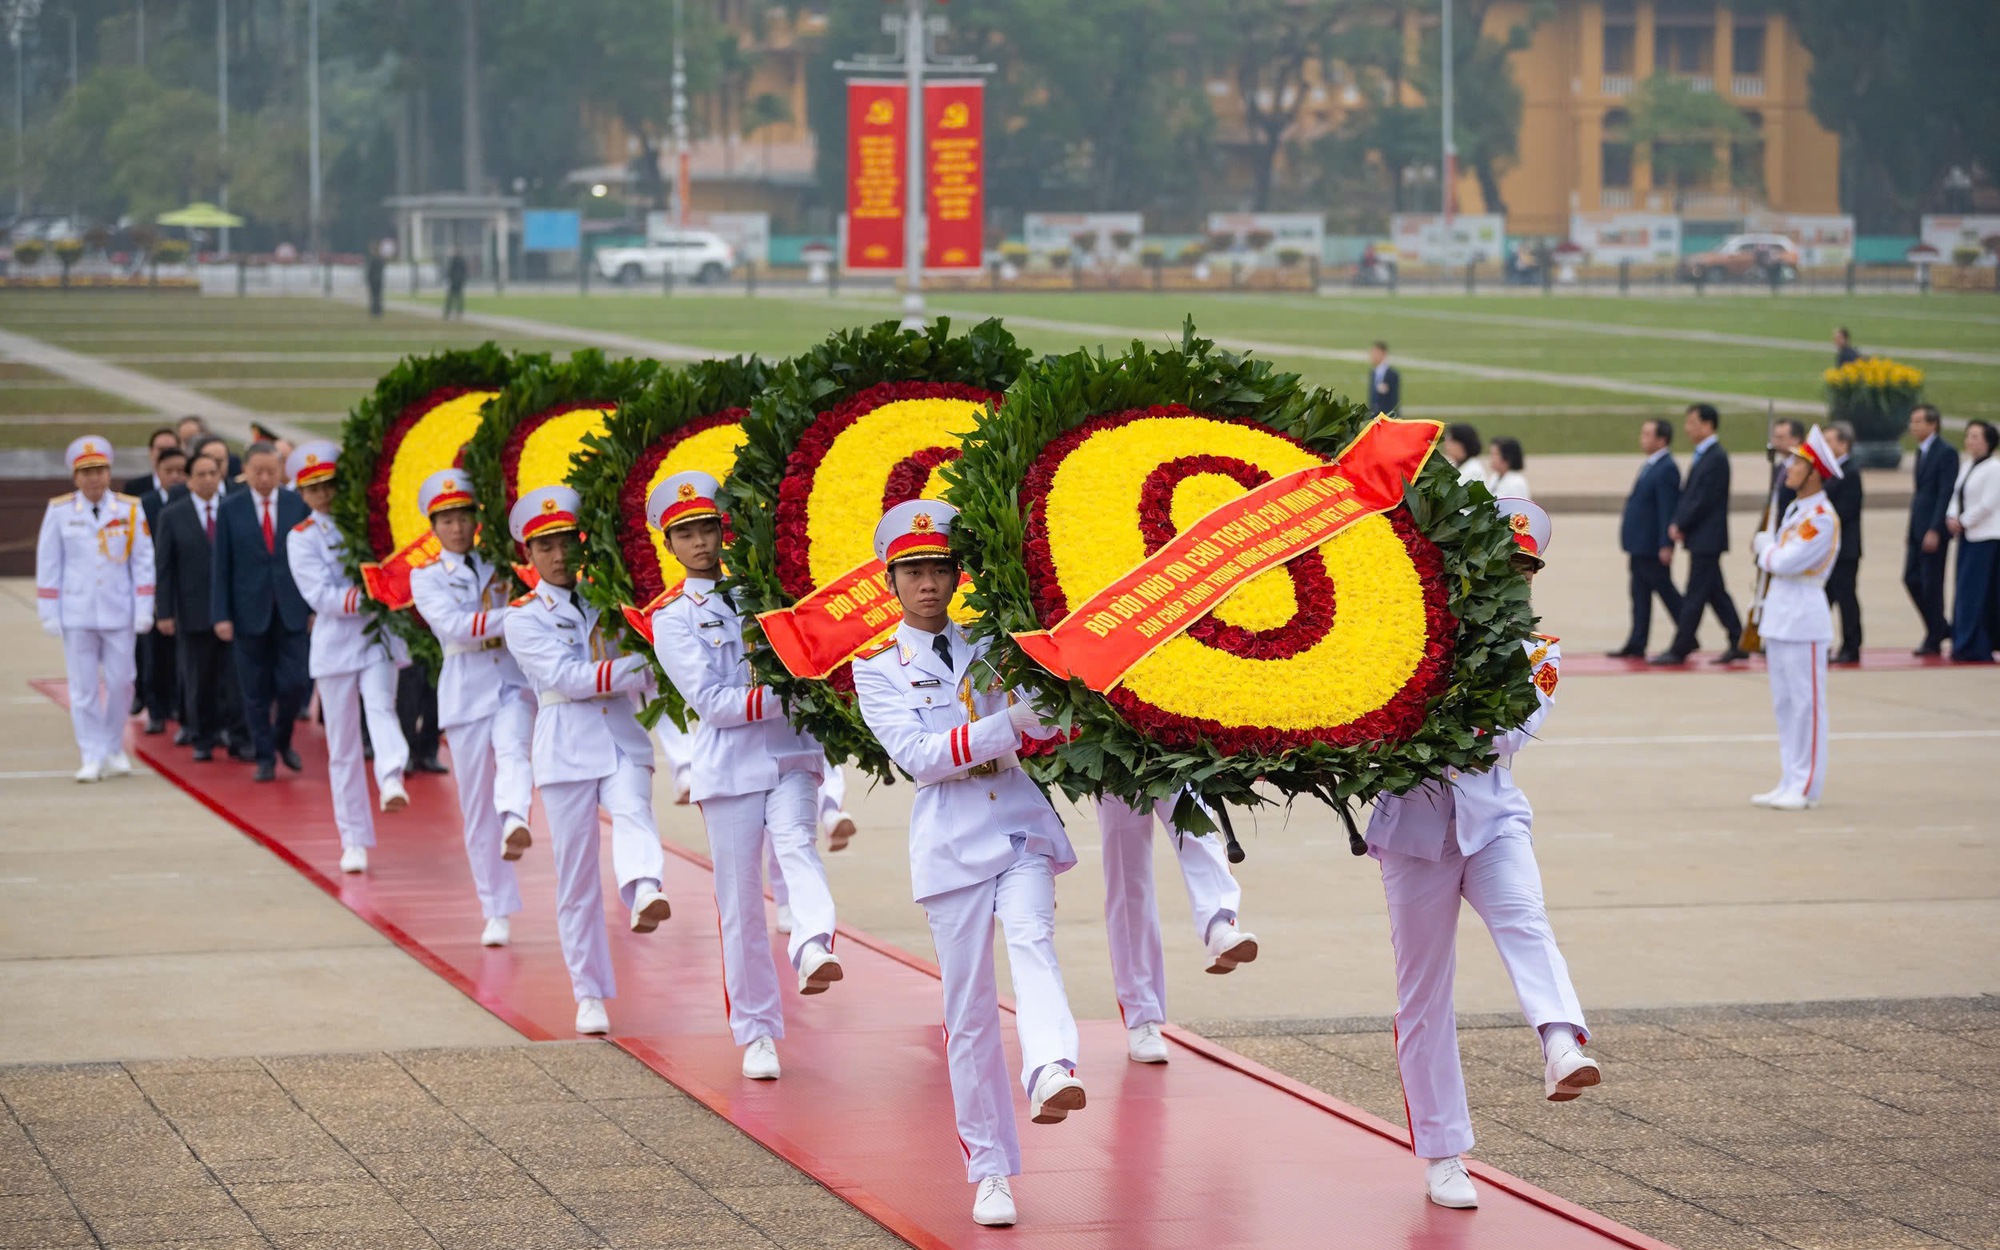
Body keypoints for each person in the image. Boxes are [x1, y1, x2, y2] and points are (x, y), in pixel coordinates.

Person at [852, 500, 1083, 1229]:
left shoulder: (994, 641)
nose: (928, 583)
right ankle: (989, 1171)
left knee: (1033, 941)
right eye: (914, 571)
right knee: (970, 1014)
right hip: (951, 845)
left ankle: (1052, 1067)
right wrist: (1002, 725)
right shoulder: (877, 668)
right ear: (891, 580)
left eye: (940, 568)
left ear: (958, 575)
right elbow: (921, 759)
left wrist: (1043, 693)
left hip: (1017, 827)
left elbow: (1047, 719)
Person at [1367, 497, 1598, 1212]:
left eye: (1524, 571)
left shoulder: (1540, 652)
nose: (1513, 581)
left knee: (1527, 924)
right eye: (1502, 565)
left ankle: (1562, 1044)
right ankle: (1443, 1154)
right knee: (1424, 993)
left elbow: (1505, 739)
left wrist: (1435, 711)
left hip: (1492, 820)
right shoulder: (1414, 630)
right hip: (1414, 831)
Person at [649, 472, 844, 1080]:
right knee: (739, 904)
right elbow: (712, 702)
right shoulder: (673, 618)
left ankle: (814, 943)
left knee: (796, 845)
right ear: (670, 545)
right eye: (687, 534)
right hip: (729, 769)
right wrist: (789, 695)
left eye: (709, 528)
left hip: (789, 754)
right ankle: (757, 1031)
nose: (702, 542)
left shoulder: (763, 592)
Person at [503, 484, 672, 1037]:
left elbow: (649, 661)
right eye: (545, 547)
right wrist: (634, 665)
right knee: (575, 878)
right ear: (527, 556)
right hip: (565, 747)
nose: (558, 556)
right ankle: (588, 991)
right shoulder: (522, 617)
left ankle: (644, 886)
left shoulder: (609, 596)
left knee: (634, 813)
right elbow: (566, 679)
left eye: (565, 544)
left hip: (621, 736)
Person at [407, 470, 533, 945]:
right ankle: (495, 908)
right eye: (448, 519)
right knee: (476, 808)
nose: (458, 527)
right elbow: (457, 627)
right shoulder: (426, 577)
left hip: (510, 681)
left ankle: (517, 816)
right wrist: (521, 613)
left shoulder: (500, 562)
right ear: (434, 526)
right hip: (464, 691)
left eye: (464, 517)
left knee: (516, 750)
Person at [286, 442, 412, 872]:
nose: (324, 494)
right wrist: (372, 594)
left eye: (329, 484)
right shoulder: (301, 537)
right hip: (337, 643)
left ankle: (392, 775)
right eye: (314, 487)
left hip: (377, 636)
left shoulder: (364, 524)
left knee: (381, 704)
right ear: (302, 493)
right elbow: (320, 595)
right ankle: (353, 838)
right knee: (342, 747)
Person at [1095, 795, 1257, 1064]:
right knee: (1127, 873)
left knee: (1196, 828)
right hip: (1113, 765)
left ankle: (1219, 927)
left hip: (1172, 752)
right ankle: (1141, 1015)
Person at [37, 437, 154, 783]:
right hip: (77, 611)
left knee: (122, 683)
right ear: (75, 476)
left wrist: (144, 605)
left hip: (119, 609)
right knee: (84, 687)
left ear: (109, 472)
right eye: (86, 472)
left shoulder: (129, 509)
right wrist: (49, 610)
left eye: (99, 470)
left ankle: (113, 745)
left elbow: (143, 561)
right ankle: (91, 753)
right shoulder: (59, 512)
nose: (94, 478)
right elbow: (49, 564)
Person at [1750, 427, 1844, 810]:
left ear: (1815, 473)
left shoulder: (1821, 517)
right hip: (1781, 615)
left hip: (1804, 616)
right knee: (1785, 705)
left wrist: (1765, 548)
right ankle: (1790, 777)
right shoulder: (1796, 510)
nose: (1788, 469)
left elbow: (1784, 562)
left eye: (1798, 463)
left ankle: (1805, 785)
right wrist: (1770, 550)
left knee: (1807, 706)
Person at [211, 441, 312, 781]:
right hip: (247, 612)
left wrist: (313, 607)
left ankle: (283, 740)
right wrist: (221, 615)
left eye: (272, 471)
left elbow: (311, 561)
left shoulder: (298, 504)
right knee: (254, 691)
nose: (265, 478)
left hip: (292, 610)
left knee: (294, 685)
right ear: (246, 472)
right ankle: (265, 755)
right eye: (258, 472)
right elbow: (221, 566)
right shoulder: (230, 508)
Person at [154, 452, 238, 762]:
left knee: (233, 680)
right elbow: (163, 568)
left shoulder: (233, 511)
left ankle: (235, 735)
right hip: (193, 611)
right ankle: (203, 737)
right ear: (189, 479)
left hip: (231, 612)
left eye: (212, 473)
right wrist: (164, 612)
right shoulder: (172, 515)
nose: (207, 479)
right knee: (198, 680)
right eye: (200, 474)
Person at [1654, 404, 1747, 665]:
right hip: (1702, 537)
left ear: (1708, 425)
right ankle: (1739, 639)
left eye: (1693, 422)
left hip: (1708, 537)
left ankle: (1680, 648)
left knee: (1695, 593)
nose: (1687, 428)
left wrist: (1680, 523)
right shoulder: (1704, 455)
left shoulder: (1716, 457)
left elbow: (1703, 499)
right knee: (1716, 592)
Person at [1610, 419, 1683, 659]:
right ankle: (1637, 642)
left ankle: (1687, 634)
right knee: (1639, 595)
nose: (1642, 438)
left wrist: (1666, 544)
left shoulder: (1667, 468)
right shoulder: (1652, 465)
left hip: (1652, 546)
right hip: (1640, 545)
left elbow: (1667, 509)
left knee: (1667, 592)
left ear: (1661, 440)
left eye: (1647, 434)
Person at [135, 446, 189, 736]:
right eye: (169, 472)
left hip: (187, 591)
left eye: (182, 471)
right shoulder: (145, 504)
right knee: (154, 655)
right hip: (154, 590)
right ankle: (156, 711)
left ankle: (181, 708)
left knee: (183, 658)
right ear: (158, 473)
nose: (176, 477)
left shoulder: (193, 503)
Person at [1905, 404, 1959, 656]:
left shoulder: (1946, 453)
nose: (1912, 426)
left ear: (1933, 424)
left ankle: (1934, 636)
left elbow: (1945, 493)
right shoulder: (1922, 451)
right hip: (1917, 527)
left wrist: (1936, 528)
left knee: (1931, 584)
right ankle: (1939, 627)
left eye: (1918, 421)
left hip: (1932, 530)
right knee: (1911, 578)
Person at [1946, 421, 2000, 663]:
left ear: (1988, 441)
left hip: (1986, 537)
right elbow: (1957, 495)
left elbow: (1988, 504)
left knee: (1978, 592)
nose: (1969, 440)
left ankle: (1978, 643)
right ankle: (1963, 641)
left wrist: (1964, 521)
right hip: (1968, 536)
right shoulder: (1968, 465)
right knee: (1964, 590)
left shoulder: (1994, 468)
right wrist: (1951, 517)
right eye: (1968, 436)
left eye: (1976, 436)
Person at [1821, 423, 1865, 664]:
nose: (1825, 446)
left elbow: (1845, 511)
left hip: (1844, 549)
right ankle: (1821, 642)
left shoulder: (1850, 472)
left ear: (1843, 444)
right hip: (1829, 549)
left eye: (1829, 441)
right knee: (1825, 598)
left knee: (1845, 597)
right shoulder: (1830, 470)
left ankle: (1851, 645)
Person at [397, 666, 448, 774]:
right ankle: (407, 753)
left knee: (435, 701)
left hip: (438, 657)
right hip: (411, 656)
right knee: (409, 701)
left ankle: (429, 753)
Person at [1442, 423, 1489, 490]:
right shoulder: (1458, 466)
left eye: (1450, 441)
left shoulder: (1473, 471)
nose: (1446, 445)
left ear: (1462, 444)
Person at [1366, 341, 1400, 416]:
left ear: (1382, 353)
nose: (1372, 356)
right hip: (1375, 416)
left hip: (1387, 416)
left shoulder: (1392, 374)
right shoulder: (1373, 372)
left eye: (1375, 353)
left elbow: (1394, 400)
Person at [443, 250, 468, 320]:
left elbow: (451, 271)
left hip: (456, 281)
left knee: (454, 298)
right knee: (456, 298)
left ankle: (452, 313)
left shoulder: (455, 261)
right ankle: (456, 313)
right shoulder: (459, 260)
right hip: (457, 281)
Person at [365, 247, 387, 318]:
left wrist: (368, 279)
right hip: (379, 280)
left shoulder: (372, 260)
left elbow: (369, 271)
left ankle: (374, 312)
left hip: (373, 281)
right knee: (378, 296)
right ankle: (378, 312)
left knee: (374, 296)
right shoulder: (381, 260)